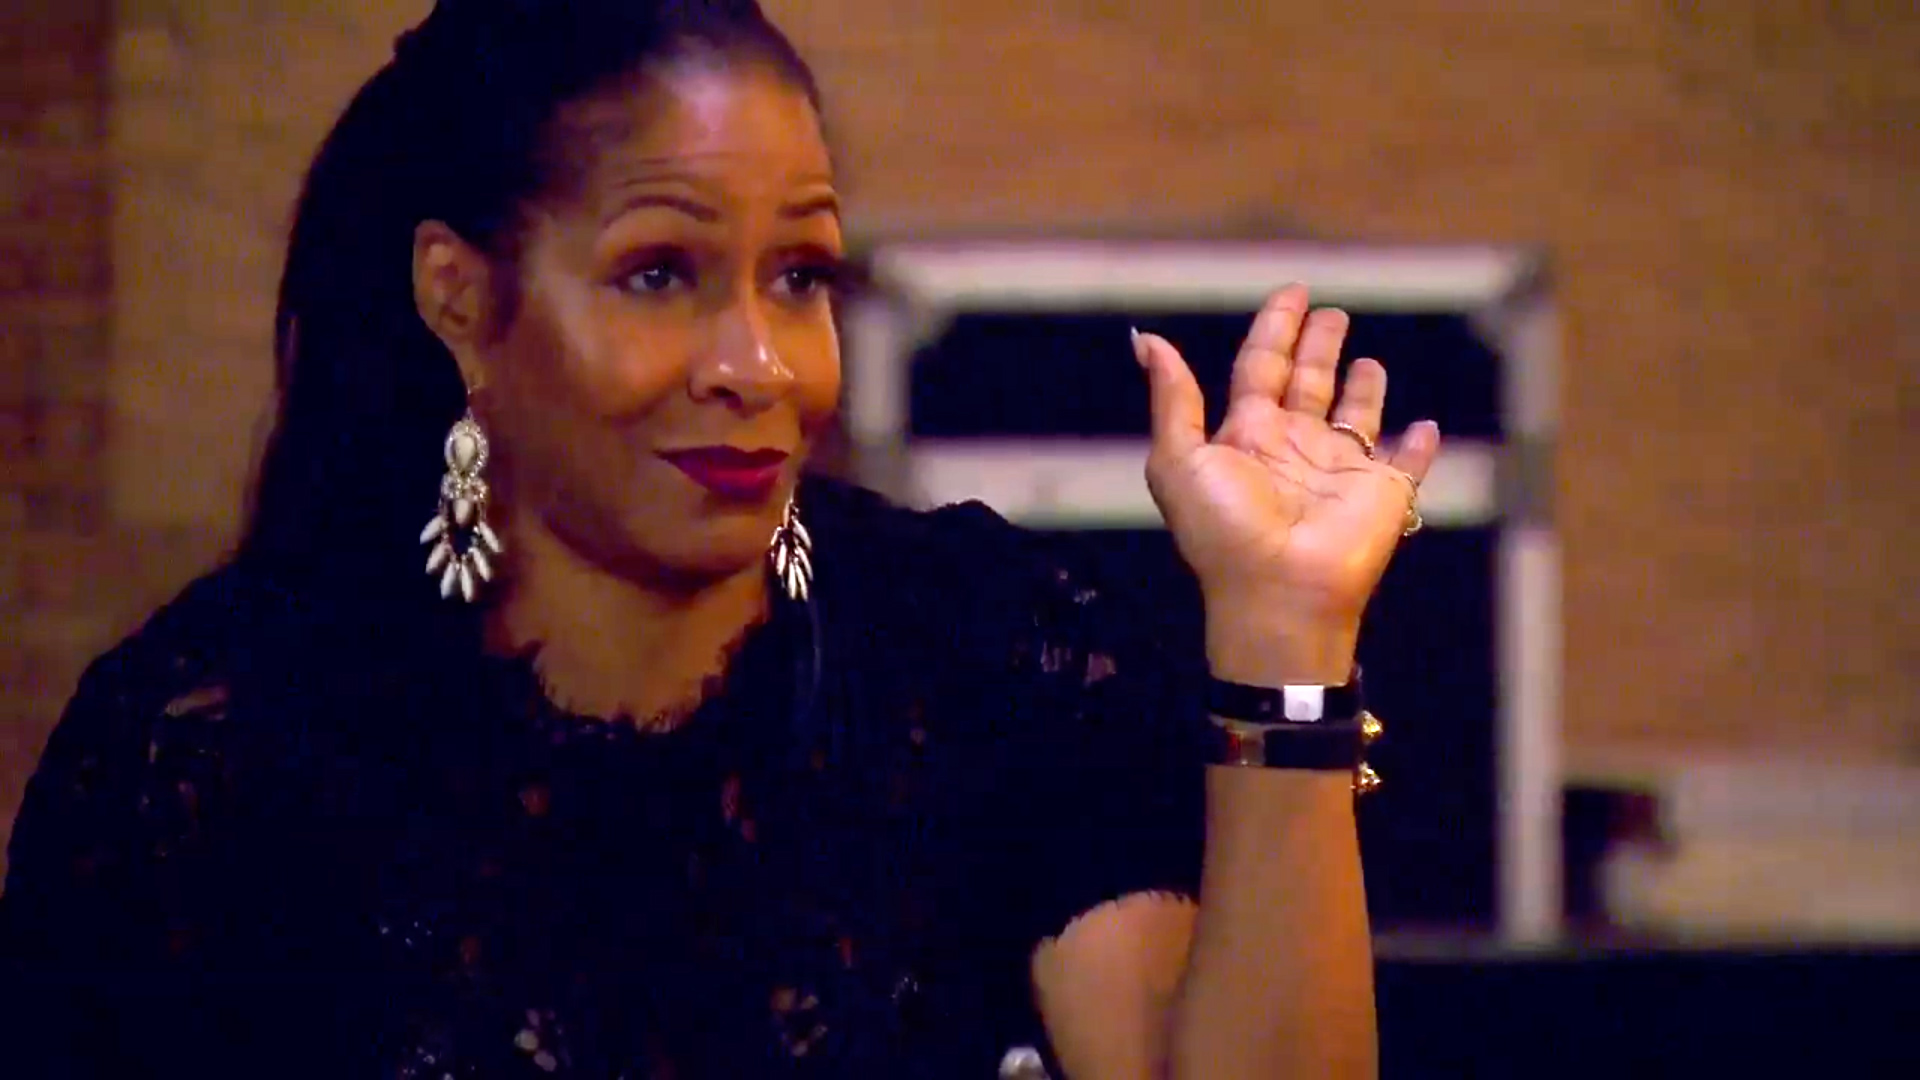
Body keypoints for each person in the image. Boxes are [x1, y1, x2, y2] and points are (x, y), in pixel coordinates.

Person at [0, 1, 1439, 1077]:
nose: (758, 364)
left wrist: (1286, 630)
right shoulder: (209, 748)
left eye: (799, 276)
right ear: (461, 299)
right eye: (659, 274)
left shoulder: (984, 653)